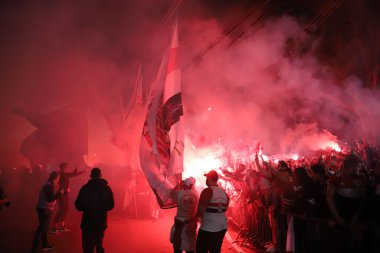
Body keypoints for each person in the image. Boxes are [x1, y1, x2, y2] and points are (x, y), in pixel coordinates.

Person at [75, 168, 114, 253]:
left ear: (91, 176)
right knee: (99, 245)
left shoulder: (85, 188)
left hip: (87, 222)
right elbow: (111, 206)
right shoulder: (106, 189)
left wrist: (87, 206)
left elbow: (78, 205)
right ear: (100, 175)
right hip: (101, 222)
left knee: (87, 247)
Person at [196, 170, 229, 253]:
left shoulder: (207, 191)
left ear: (209, 178)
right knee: (215, 250)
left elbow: (200, 210)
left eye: (207, 178)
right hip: (222, 227)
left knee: (201, 250)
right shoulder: (224, 192)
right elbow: (225, 208)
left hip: (209, 228)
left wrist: (194, 219)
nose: (206, 180)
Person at [31, 171, 63, 253]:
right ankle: (34, 250)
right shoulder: (48, 185)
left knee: (44, 229)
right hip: (45, 209)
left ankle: (45, 245)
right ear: (56, 178)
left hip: (44, 208)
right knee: (41, 229)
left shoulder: (49, 184)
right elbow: (50, 198)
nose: (58, 180)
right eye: (58, 178)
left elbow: (50, 196)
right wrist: (59, 193)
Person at [51, 162, 84, 233]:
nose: (68, 167)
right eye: (67, 166)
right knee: (62, 209)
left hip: (65, 193)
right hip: (62, 194)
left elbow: (72, 174)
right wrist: (80, 170)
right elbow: (73, 174)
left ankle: (62, 226)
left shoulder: (62, 174)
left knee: (65, 209)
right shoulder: (62, 174)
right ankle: (55, 226)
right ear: (63, 167)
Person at [169, 177, 199, 253]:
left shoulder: (179, 193)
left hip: (179, 225)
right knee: (190, 248)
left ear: (184, 185)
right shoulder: (197, 194)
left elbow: (171, 193)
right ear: (192, 185)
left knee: (177, 248)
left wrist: (179, 184)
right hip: (191, 225)